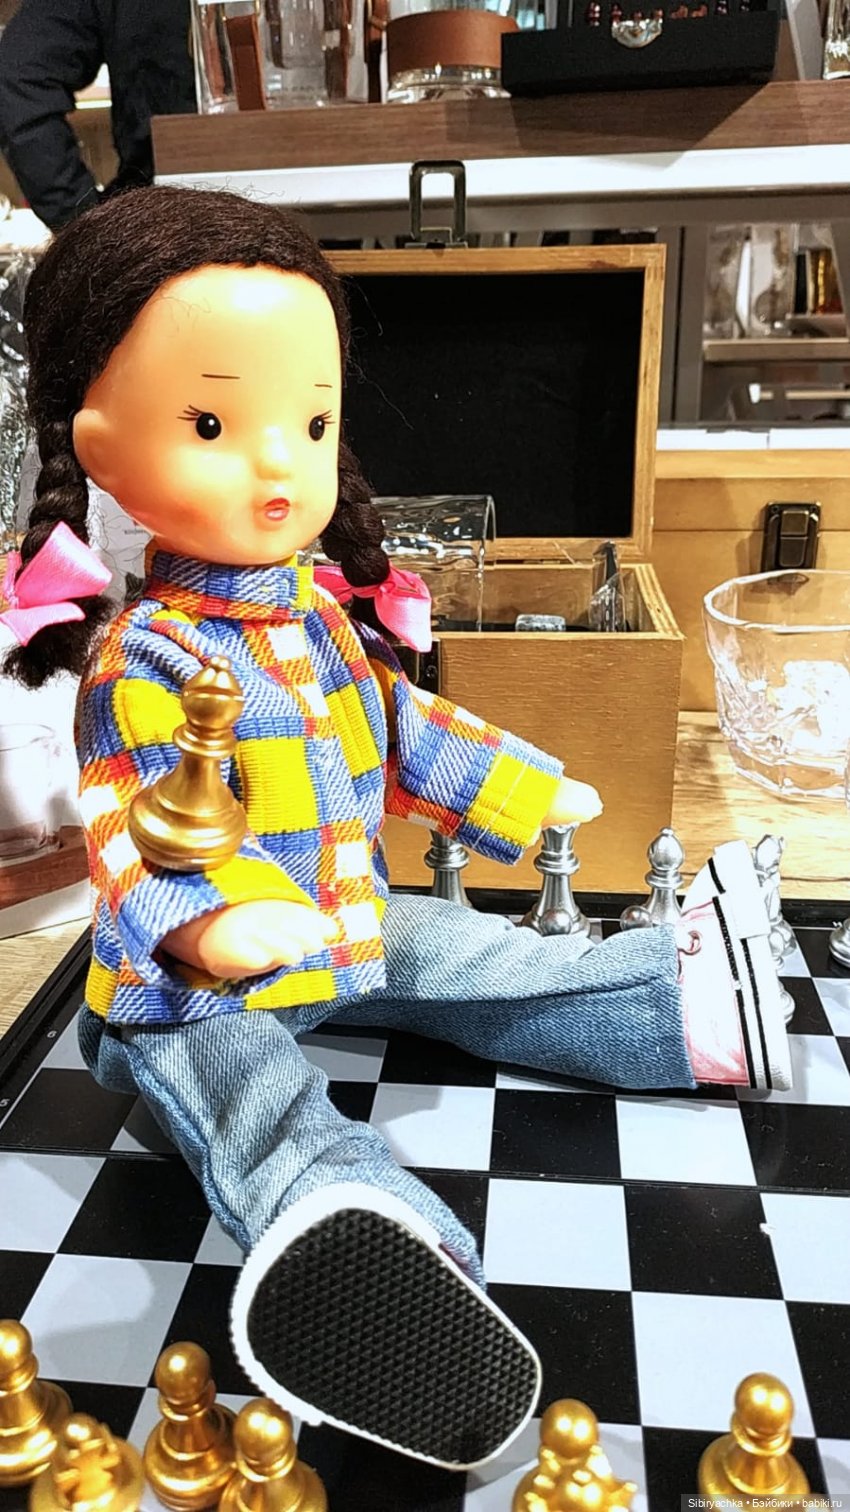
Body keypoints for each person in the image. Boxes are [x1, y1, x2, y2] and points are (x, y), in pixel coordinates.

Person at [1, 184, 793, 1472]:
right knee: (243, 1082)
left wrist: (522, 789)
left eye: (311, 423)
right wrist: (213, 925)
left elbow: (405, 731)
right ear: (99, 443)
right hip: (181, 988)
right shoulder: (141, 659)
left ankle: (672, 1006)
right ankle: (349, 1227)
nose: (278, 462)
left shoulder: (319, 616)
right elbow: (136, 828)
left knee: (472, 953)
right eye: (214, 424)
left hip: (337, 929)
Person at [0, 0, 194, 232]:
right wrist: (84, 223)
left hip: (158, 216)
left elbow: (19, 76)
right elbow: (19, 78)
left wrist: (84, 224)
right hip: (165, 210)